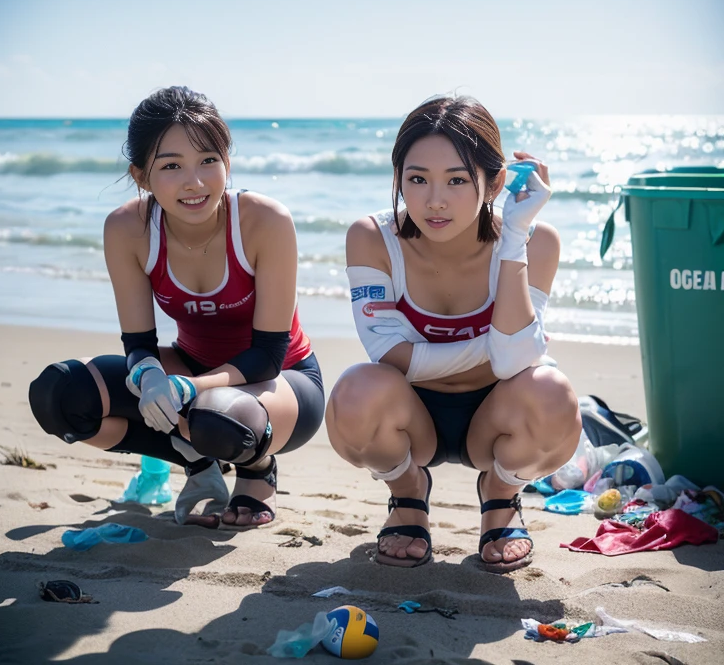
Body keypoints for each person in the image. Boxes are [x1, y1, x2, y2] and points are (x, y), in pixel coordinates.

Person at [29, 86, 324, 528]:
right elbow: (139, 343)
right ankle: (195, 460)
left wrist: (187, 389)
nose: (196, 182)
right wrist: (149, 375)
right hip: (191, 365)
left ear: (228, 162)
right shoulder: (128, 228)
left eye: (209, 160)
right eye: (171, 166)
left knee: (215, 416)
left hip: (280, 380)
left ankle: (258, 470)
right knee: (60, 394)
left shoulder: (265, 222)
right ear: (141, 175)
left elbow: (268, 355)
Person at [326, 95, 580, 571]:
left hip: (495, 414)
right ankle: (408, 493)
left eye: (457, 180)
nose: (434, 200)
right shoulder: (372, 238)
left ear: (493, 183)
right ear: (398, 177)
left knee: (552, 393)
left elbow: (510, 367)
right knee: (355, 392)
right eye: (416, 179)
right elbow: (387, 352)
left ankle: (501, 494)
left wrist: (514, 238)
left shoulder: (536, 241)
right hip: (411, 414)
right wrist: (498, 347)